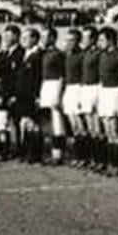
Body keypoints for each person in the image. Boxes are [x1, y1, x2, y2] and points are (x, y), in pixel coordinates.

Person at [97, 26, 118, 176]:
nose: (99, 42)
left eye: (102, 39)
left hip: (116, 92)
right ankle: (111, 163)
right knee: (107, 129)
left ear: (110, 40)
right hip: (105, 92)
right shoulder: (103, 55)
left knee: (115, 129)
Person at [11, 28, 43, 163]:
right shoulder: (25, 54)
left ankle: (35, 153)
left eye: (27, 38)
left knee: (32, 124)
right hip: (22, 94)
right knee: (24, 123)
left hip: (31, 95)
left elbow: (38, 77)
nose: (23, 40)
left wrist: (37, 96)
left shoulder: (38, 55)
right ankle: (27, 151)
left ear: (35, 39)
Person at [39, 28, 67, 165]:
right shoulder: (43, 54)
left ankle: (58, 155)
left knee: (57, 123)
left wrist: (59, 94)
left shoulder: (58, 54)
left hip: (55, 86)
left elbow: (63, 76)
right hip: (46, 87)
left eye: (46, 37)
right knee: (47, 122)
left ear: (53, 38)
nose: (43, 40)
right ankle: (51, 152)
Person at [61, 29, 85, 166]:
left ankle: (84, 156)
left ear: (78, 41)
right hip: (68, 90)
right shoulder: (66, 55)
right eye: (67, 40)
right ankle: (77, 156)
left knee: (80, 124)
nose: (69, 43)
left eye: (72, 40)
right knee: (73, 126)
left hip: (78, 89)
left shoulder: (81, 56)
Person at [79, 26, 102, 170]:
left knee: (97, 127)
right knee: (89, 127)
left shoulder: (98, 54)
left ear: (93, 39)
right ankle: (92, 158)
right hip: (85, 89)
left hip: (95, 89)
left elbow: (100, 75)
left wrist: (98, 96)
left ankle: (101, 160)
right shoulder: (85, 53)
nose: (83, 40)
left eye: (86, 37)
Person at [1, 25, 25, 158]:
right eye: (5, 35)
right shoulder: (5, 53)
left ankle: (20, 149)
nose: (6, 38)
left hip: (16, 94)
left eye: (9, 35)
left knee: (17, 122)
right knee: (5, 123)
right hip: (5, 93)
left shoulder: (21, 53)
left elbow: (19, 77)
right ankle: (8, 148)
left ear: (16, 36)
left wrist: (15, 94)